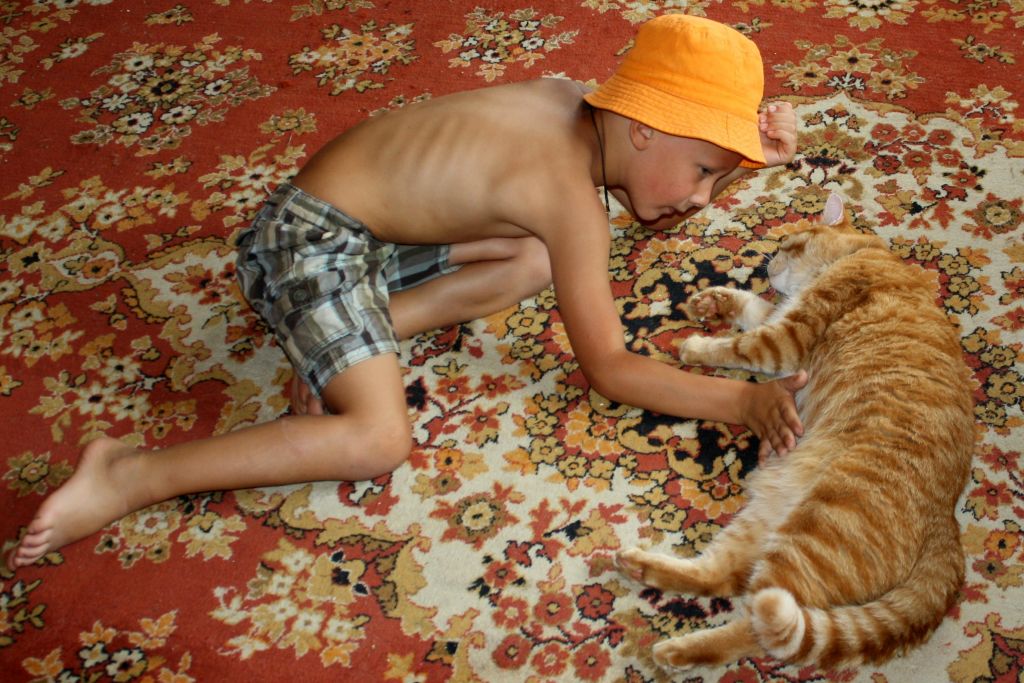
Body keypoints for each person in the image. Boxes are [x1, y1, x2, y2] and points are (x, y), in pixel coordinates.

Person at [7, 14, 805, 571]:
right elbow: (610, 367)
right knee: (376, 438)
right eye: (707, 172)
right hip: (307, 245)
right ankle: (131, 474)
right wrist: (741, 401)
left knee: (535, 259)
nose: (703, 199)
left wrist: (741, 153)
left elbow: (651, 186)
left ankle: (353, 340)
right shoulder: (568, 197)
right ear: (643, 128)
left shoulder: (569, 103)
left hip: (363, 230)